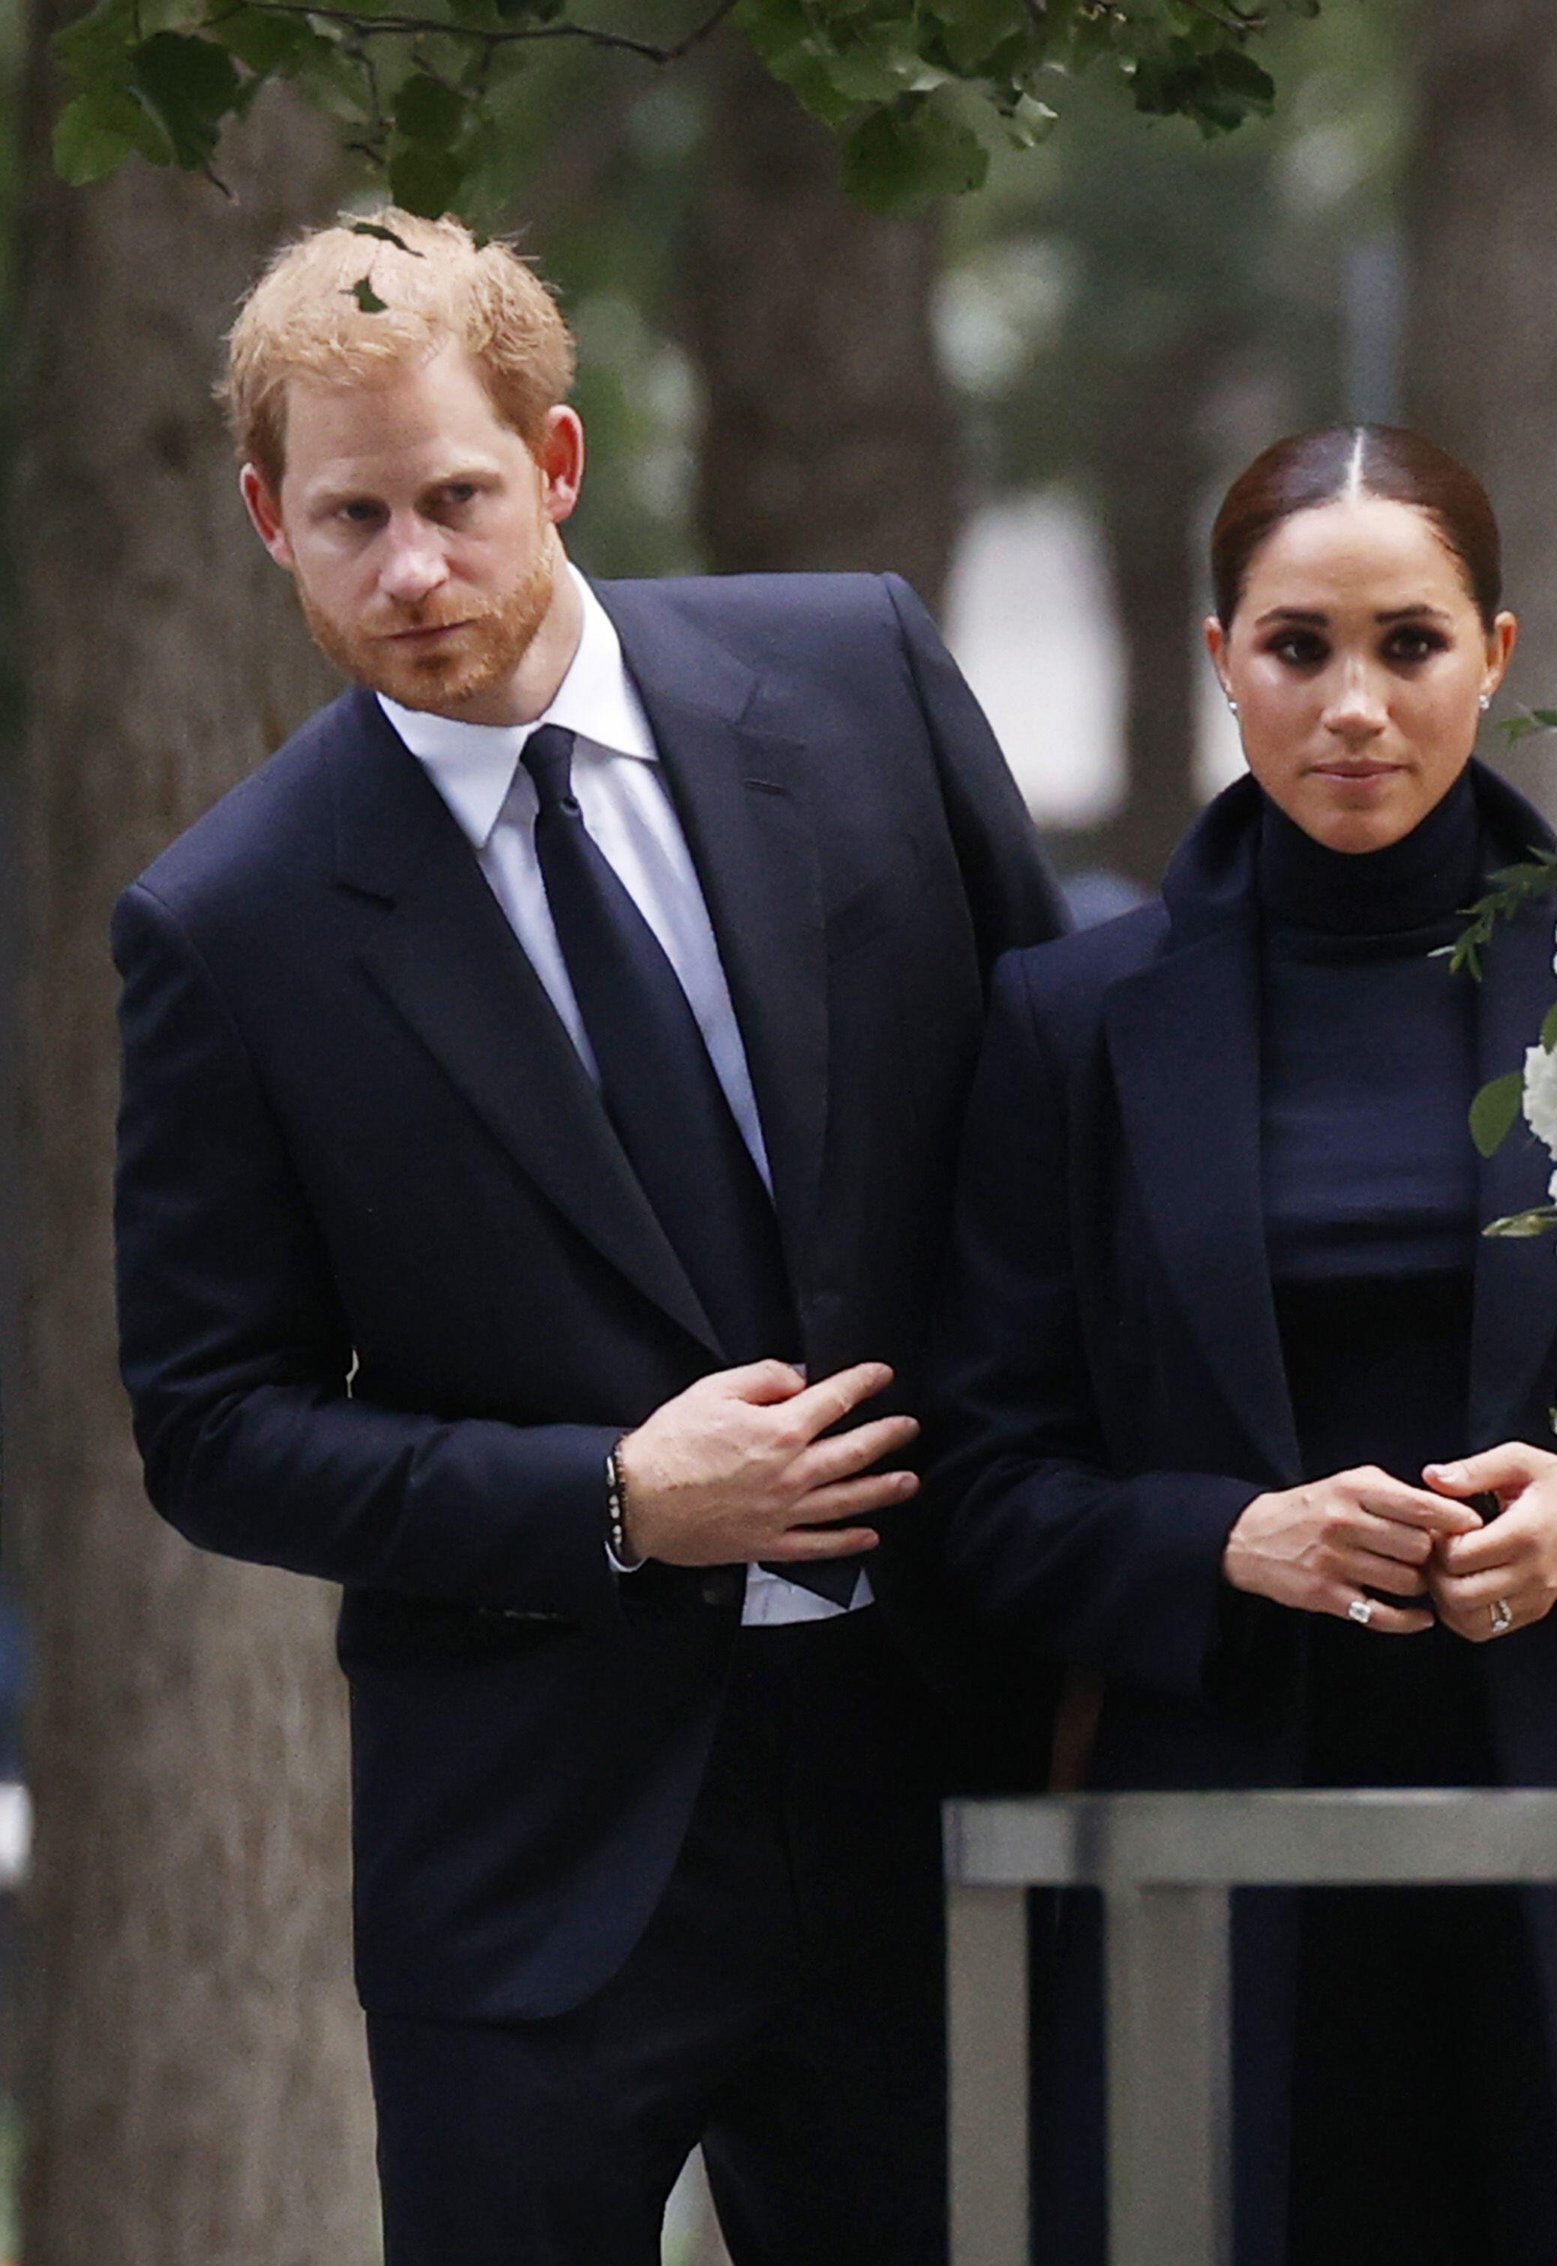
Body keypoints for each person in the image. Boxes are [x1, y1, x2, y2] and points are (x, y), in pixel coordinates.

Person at [110, 211, 1065, 2264]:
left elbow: (1062, 1133)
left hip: (938, 1762)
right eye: (351, 519)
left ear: (555, 461)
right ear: (274, 521)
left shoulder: (864, 671)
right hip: (536, 1854)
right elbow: (209, 1421)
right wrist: (616, 1498)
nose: (416, 570)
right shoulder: (231, 922)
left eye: (456, 498)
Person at [924, 423, 1557, 2264]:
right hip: (1222, 1845)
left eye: (1409, 644)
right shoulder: (1065, 1022)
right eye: (1299, 647)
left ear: (1499, 654)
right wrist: (1220, 1536)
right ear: (1220, 663)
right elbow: (980, 1483)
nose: (1353, 704)